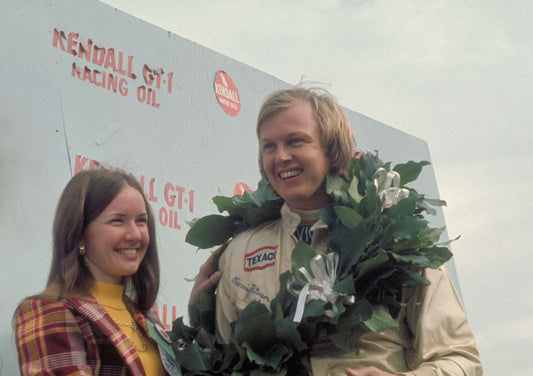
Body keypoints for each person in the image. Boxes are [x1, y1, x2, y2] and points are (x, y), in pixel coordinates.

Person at [213, 87, 483, 376]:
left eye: (295, 141)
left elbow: (461, 360)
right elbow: (225, 364)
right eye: (269, 146)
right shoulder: (240, 254)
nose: (281, 157)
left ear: (332, 150)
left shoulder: (398, 242)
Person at [14, 169, 181, 376]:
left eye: (141, 221)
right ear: (79, 234)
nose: (135, 234)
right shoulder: (50, 310)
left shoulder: (148, 320)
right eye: (117, 221)